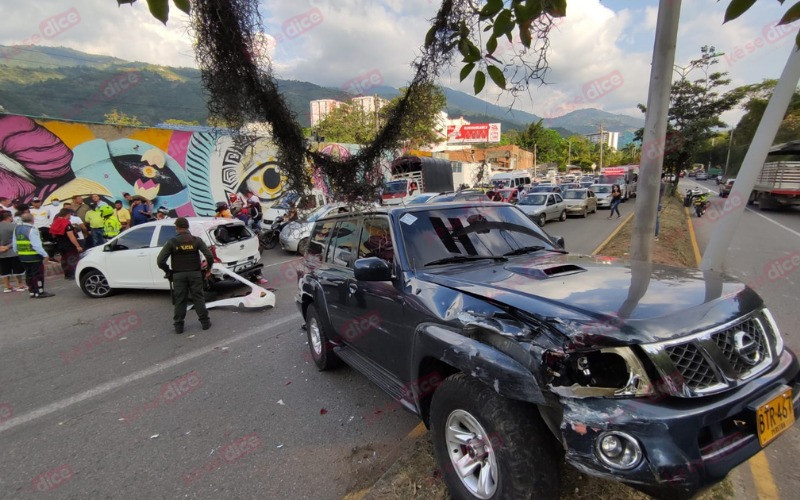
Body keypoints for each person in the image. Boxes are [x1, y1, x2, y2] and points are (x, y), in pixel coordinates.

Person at [156, 217, 213, 334]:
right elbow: (209, 256)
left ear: (176, 228)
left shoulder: (172, 242)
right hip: (195, 273)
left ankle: (179, 326)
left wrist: (168, 271)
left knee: (180, 300)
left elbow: (160, 261)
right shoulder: (196, 240)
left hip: (178, 275)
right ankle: (205, 323)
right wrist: (208, 269)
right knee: (198, 298)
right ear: (187, 227)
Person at [13, 213, 54, 298]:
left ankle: (32, 291)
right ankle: (40, 291)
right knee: (38, 274)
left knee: (28, 274)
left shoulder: (17, 229)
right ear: (32, 220)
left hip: (22, 256)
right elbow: (36, 245)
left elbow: (14, 243)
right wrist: (45, 254)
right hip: (34, 256)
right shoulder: (32, 229)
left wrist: (17, 251)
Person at [50, 209, 83, 279]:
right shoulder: (66, 223)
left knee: (64, 259)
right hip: (68, 244)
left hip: (60, 243)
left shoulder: (55, 222)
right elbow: (71, 236)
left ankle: (67, 274)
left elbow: (53, 234)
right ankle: (72, 274)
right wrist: (78, 246)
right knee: (72, 259)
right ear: (68, 214)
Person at [0, 210, 27, 293]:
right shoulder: (14, 226)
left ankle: (7, 286)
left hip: (1, 253)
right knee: (17, 269)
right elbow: (18, 238)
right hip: (13, 251)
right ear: (8, 217)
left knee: (4, 270)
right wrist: (7, 247)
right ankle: (20, 285)